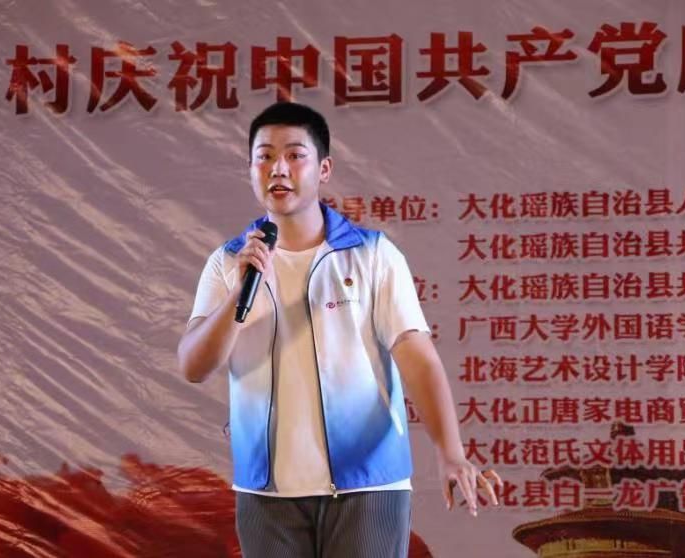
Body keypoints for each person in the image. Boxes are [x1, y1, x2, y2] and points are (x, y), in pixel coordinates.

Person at [178, 102, 501, 558]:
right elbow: (194, 366)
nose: (278, 169)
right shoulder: (229, 262)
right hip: (266, 492)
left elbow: (417, 356)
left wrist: (451, 453)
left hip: (367, 486)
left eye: (295, 155)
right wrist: (239, 294)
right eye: (264, 157)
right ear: (250, 169)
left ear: (324, 169)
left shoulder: (372, 254)